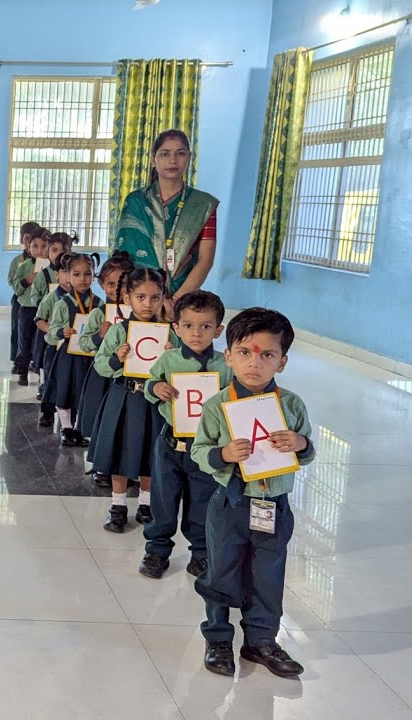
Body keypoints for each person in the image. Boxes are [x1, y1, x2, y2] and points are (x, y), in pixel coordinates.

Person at [192, 308, 315, 679]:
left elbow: (308, 452)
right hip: (230, 503)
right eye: (244, 352)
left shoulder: (291, 405)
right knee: (222, 571)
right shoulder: (218, 405)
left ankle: (262, 640)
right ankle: (218, 639)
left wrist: (300, 442)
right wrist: (224, 455)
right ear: (228, 355)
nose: (254, 363)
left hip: (273, 505)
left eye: (267, 355)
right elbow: (200, 450)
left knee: (268, 574)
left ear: (282, 361)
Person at [139, 290, 230, 579]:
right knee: (163, 500)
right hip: (170, 445)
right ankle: (156, 550)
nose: (196, 334)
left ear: (218, 329)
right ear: (176, 328)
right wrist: (155, 388)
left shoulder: (225, 366)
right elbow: (149, 382)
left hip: (205, 448)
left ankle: (201, 552)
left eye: (205, 327)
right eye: (188, 326)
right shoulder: (169, 360)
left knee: (202, 500)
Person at [91, 267, 174, 533]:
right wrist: (118, 358)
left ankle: (146, 504)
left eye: (154, 297)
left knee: (151, 451)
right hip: (124, 397)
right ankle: (117, 506)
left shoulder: (168, 333)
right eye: (140, 297)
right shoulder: (118, 331)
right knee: (120, 450)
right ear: (127, 298)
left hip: (154, 401)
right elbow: (100, 365)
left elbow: (179, 371)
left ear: (163, 298)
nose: (147, 304)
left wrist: (172, 356)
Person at [111, 129, 220, 312]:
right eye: (165, 154)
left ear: (189, 157)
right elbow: (124, 258)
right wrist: (152, 299)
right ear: (154, 159)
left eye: (180, 153)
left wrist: (175, 301)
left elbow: (205, 261)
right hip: (140, 300)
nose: (173, 160)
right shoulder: (135, 201)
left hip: (183, 299)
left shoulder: (203, 204)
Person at [76, 251, 136, 455]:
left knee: (124, 420)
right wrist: (99, 336)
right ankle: (100, 462)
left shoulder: (142, 316)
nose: (118, 290)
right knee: (101, 418)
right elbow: (82, 343)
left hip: (128, 375)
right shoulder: (98, 313)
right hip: (102, 375)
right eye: (111, 284)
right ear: (101, 285)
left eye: (124, 284)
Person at [46, 253, 99, 445]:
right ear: (68, 276)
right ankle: (66, 428)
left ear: (94, 275)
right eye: (76, 274)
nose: (82, 279)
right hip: (68, 355)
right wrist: (62, 332)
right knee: (65, 389)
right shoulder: (63, 304)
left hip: (90, 355)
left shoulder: (99, 304)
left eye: (87, 274)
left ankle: (79, 427)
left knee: (83, 391)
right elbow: (50, 332)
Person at [28, 233, 70, 390]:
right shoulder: (43, 274)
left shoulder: (74, 276)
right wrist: (44, 305)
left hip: (66, 327)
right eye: (54, 250)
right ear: (48, 252)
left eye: (63, 250)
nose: (58, 254)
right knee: (43, 354)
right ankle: (43, 384)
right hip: (47, 323)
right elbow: (35, 295)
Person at [12, 229, 50, 386]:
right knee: (24, 342)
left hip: (44, 311)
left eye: (44, 246)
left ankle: (41, 374)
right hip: (27, 309)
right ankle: (22, 372)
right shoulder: (24, 266)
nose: (39, 250)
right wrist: (27, 281)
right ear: (29, 247)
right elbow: (15, 287)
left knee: (40, 343)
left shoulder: (52, 267)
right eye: (35, 246)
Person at [8, 222, 43, 367]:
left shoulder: (46, 262)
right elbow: (11, 280)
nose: (30, 243)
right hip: (21, 301)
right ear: (22, 240)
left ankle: (35, 361)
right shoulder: (18, 262)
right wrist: (25, 281)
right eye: (27, 238)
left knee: (36, 336)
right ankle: (19, 361)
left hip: (39, 304)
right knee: (19, 331)